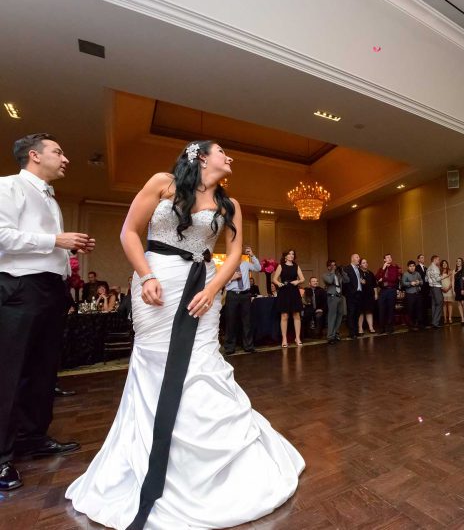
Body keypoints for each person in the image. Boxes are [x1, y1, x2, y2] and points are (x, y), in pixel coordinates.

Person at [66, 140, 304, 528]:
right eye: (222, 151)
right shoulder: (164, 183)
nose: (229, 157)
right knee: (154, 363)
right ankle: (151, 455)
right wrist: (146, 276)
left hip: (202, 285)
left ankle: (209, 462)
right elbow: (129, 231)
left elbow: (237, 250)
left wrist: (213, 290)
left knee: (203, 361)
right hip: (156, 281)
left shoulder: (231, 205)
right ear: (200, 157)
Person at [0, 133, 94, 492]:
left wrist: (68, 248)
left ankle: (31, 437)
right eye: (59, 151)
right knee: (10, 371)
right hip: (18, 288)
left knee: (42, 370)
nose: (66, 158)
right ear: (35, 156)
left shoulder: (50, 200)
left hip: (50, 290)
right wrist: (55, 241)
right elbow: (2, 235)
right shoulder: (8, 187)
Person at [223, 245, 260, 354]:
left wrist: (252, 255)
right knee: (231, 321)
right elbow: (221, 282)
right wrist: (231, 278)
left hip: (245, 295)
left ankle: (248, 346)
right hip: (232, 295)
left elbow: (258, 268)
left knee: (247, 321)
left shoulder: (245, 264)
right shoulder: (227, 266)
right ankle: (229, 347)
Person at [273, 249, 305, 348]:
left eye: (293, 254)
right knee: (284, 316)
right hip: (284, 291)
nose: (291, 255)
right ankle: (284, 339)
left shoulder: (296, 266)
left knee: (296, 315)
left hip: (294, 291)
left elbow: (303, 279)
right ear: (285, 256)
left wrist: (298, 282)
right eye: (289, 254)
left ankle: (297, 338)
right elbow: (274, 279)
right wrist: (279, 283)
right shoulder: (281, 265)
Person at [375, 253, 401, 334]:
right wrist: (383, 269)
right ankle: (381, 327)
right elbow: (377, 278)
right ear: (384, 260)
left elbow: (393, 279)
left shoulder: (394, 268)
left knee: (390, 309)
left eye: (390, 257)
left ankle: (390, 327)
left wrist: (383, 279)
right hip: (383, 291)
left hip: (391, 290)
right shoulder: (381, 269)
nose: (389, 258)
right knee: (381, 309)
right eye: (387, 257)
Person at [323, 260, 348, 344]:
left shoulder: (339, 275)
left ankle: (336, 334)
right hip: (332, 297)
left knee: (339, 316)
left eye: (335, 265)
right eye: (332, 265)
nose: (334, 267)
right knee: (332, 317)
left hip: (340, 297)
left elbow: (347, 280)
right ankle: (330, 337)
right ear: (328, 267)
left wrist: (342, 271)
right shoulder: (325, 275)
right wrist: (333, 272)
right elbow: (330, 281)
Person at [343, 254, 363, 338]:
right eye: (357, 257)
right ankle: (351, 332)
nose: (359, 259)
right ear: (352, 259)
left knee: (357, 313)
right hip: (351, 294)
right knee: (351, 313)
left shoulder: (359, 269)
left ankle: (355, 330)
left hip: (359, 294)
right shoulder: (347, 269)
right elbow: (344, 282)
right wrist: (348, 293)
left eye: (359, 257)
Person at [357, 258, 377, 334]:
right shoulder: (358, 273)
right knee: (361, 312)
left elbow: (374, 285)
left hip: (369, 295)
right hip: (361, 295)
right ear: (360, 265)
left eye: (366, 262)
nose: (366, 264)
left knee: (369, 311)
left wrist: (375, 294)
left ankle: (371, 327)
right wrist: (360, 281)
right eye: (363, 263)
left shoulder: (370, 273)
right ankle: (360, 328)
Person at [401, 261, 423, 330]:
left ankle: (418, 324)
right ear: (408, 267)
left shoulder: (417, 273)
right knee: (410, 310)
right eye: (410, 266)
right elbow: (403, 283)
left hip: (417, 294)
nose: (412, 267)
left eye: (413, 266)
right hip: (410, 295)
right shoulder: (405, 274)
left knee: (418, 309)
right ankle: (411, 325)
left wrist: (419, 282)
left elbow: (422, 281)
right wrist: (410, 283)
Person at [426, 255, 443, 328]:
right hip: (436, 287)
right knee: (439, 303)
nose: (439, 261)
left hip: (431, 288)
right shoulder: (435, 268)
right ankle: (435, 322)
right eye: (438, 260)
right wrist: (446, 276)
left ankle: (434, 321)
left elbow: (426, 279)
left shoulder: (428, 268)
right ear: (435, 260)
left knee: (434, 305)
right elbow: (437, 279)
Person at [441, 259, 455, 324]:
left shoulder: (450, 271)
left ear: (447, 264)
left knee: (449, 304)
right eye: (443, 263)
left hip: (449, 290)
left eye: (445, 263)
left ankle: (450, 318)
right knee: (444, 304)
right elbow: (438, 281)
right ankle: (445, 318)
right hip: (442, 290)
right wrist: (442, 288)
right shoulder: (439, 272)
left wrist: (448, 288)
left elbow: (452, 281)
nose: (444, 264)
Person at [453, 258, 464, 323]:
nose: (458, 262)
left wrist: (463, 289)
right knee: (459, 303)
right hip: (457, 288)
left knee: (463, 303)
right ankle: (462, 318)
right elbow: (453, 281)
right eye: (457, 261)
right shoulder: (454, 271)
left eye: (459, 261)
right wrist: (453, 290)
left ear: (462, 262)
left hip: (462, 288)